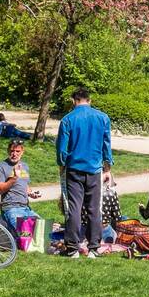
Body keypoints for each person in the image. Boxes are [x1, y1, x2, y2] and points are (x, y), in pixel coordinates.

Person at [56, 87, 113, 259]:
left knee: (74, 207)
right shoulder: (102, 118)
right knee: (94, 208)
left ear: (74, 101)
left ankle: (72, 248)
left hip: (74, 168)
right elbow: (106, 144)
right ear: (90, 100)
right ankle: (94, 247)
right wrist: (108, 166)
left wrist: (61, 164)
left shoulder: (67, 119)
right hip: (94, 169)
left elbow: (61, 148)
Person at [0, 140, 41, 235]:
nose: (14, 154)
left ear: (22, 152)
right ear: (8, 151)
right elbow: (0, 189)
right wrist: (14, 177)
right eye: (12, 151)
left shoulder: (25, 166)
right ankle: (4, 223)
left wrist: (31, 193)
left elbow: (25, 185)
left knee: (42, 230)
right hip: (11, 207)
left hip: (26, 208)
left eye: (17, 151)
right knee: (25, 234)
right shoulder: (1, 166)